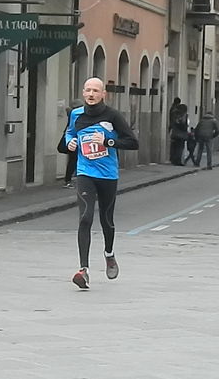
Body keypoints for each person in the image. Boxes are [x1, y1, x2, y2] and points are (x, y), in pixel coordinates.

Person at [66, 78, 138, 289]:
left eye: (95, 91)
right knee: (85, 217)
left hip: (107, 175)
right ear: (83, 92)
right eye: (87, 90)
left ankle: (109, 253)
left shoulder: (112, 116)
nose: (91, 94)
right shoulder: (76, 114)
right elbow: (69, 133)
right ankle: (84, 270)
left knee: (107, 220)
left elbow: (132, 142)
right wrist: (69, 142)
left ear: (103, 94)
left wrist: (107, 141)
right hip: (85, 172)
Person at [62, 99, 84, 188]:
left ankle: (69, 179)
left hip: (74, 140)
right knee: (73, 160)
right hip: (75, 140)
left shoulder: (72, 114)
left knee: (73, 160)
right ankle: (68, 180)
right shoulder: (75, 115)